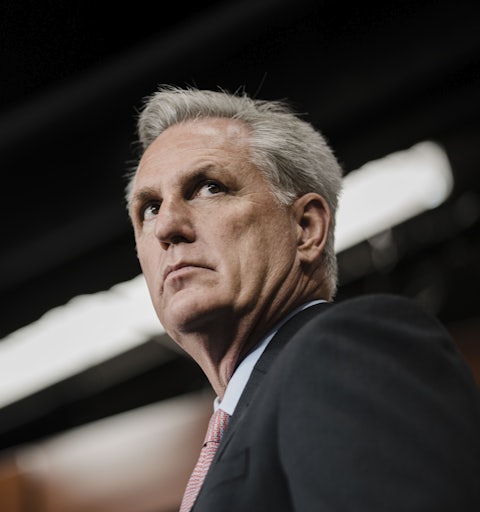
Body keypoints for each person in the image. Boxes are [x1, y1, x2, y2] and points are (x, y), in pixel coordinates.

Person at [124, 85, 480, 511]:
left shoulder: (344, 350)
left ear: (306, 228)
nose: (166, 227)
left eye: (209, 187)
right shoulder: (243, 421)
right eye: (149, 208)